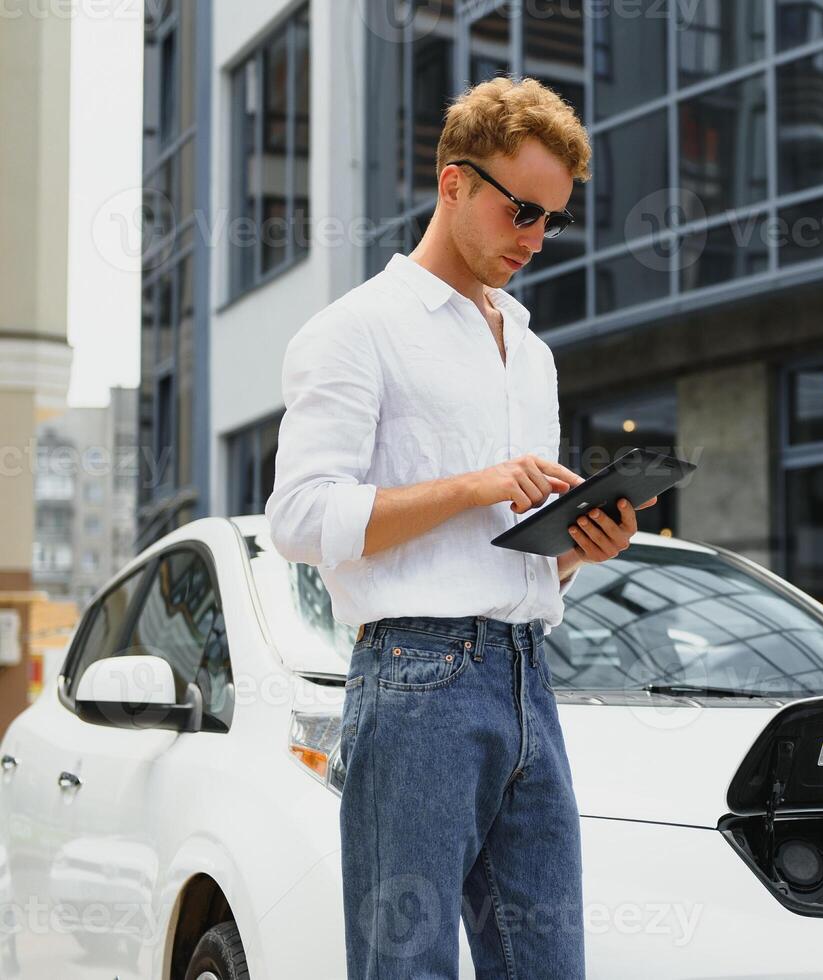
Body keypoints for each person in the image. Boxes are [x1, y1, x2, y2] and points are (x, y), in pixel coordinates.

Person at [265, 76, 652, 980]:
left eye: (551, 221)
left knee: (549, 969)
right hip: (417, 683)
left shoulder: (532, 350)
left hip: (529, 676)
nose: (533, 239)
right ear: (452, 184)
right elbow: (298, 516)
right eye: (521, 210)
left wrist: (578, 552)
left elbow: (506, 552)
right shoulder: (355, 331)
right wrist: (475, 483)